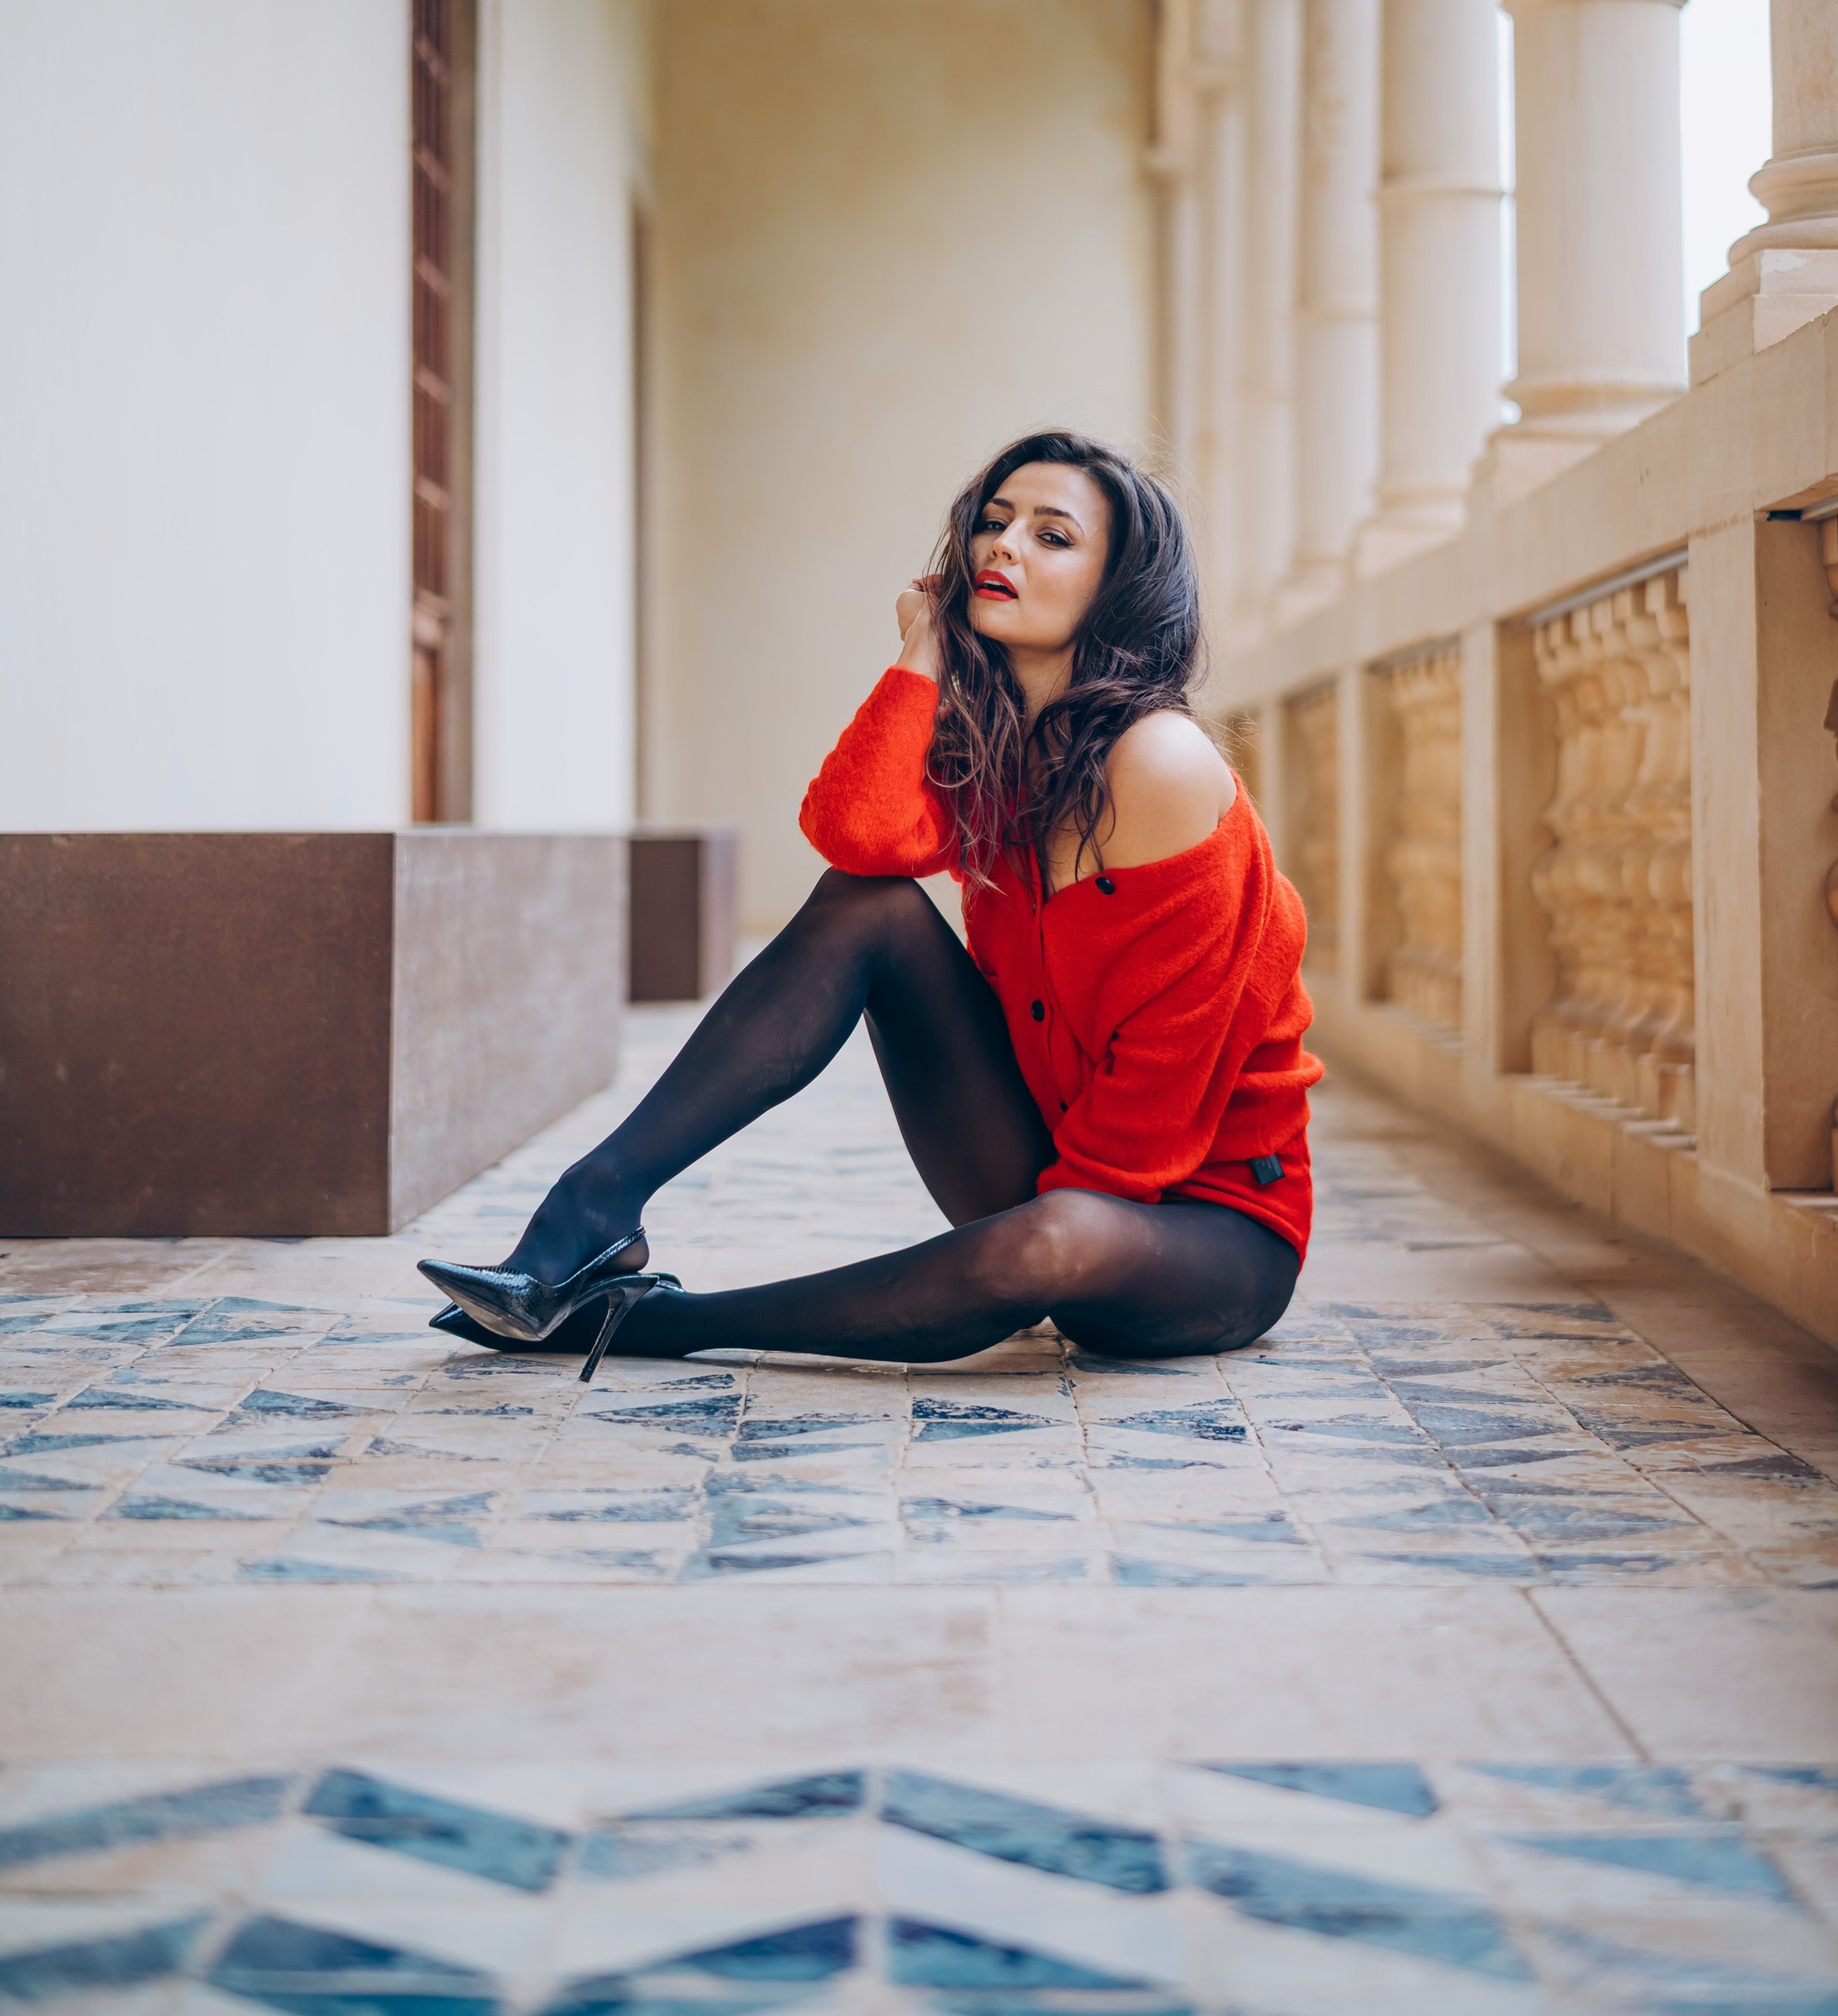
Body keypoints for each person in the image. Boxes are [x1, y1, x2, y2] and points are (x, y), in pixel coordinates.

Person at [421, 430, 1322, 1376]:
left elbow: (1155, 1114)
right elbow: (860, 842)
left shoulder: (1161, 762)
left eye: (1053, 536)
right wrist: (924, 652)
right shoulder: (1008, 747)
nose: (1002, 547)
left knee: (1051, 1241)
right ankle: (594, 1205)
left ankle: (641, 1322)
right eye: (994, 521)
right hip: (1054, 1176)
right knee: (872, 906)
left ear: (1121, 588)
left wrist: (1029, 1262)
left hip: (1204, 1234)